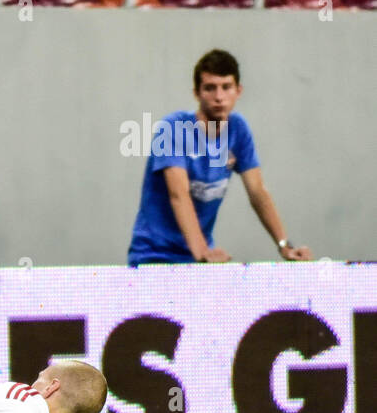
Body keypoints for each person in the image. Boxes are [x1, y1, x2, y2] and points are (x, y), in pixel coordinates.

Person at [128, 49, 313, 266]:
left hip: (199, 259)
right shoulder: (173, 128)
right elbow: (179, 194)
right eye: (210, 88)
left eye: (226, 87)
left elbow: (257, 191)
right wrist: (202, 252)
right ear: (196, 93)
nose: (219, 97)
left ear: (238, 91)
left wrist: (285, 246)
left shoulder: (238, 129)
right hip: (153, 256)